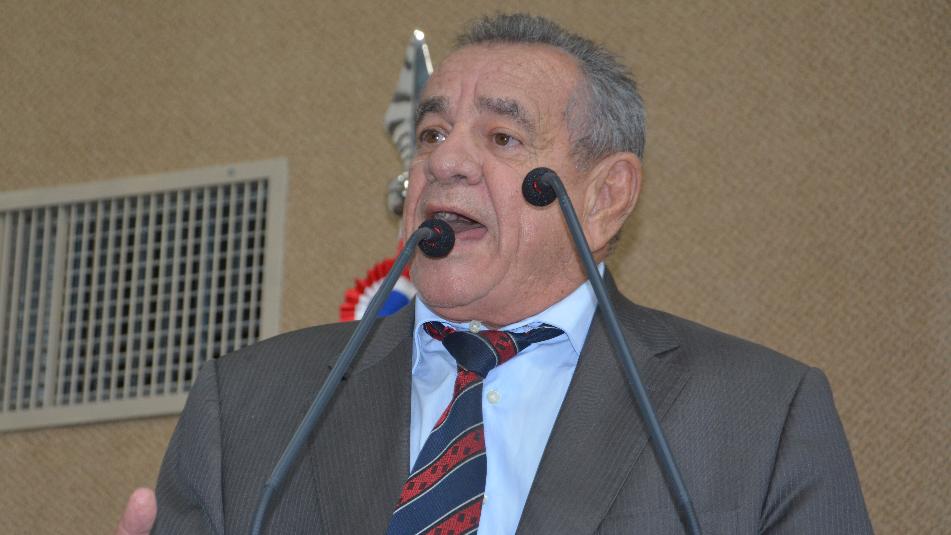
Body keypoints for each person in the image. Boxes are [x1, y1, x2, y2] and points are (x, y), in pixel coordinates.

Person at [117, 13, 872, 534]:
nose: (445, 160)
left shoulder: (758, 414)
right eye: (431, 133)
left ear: (606, 196)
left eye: (502, 137)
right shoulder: (249, 407)